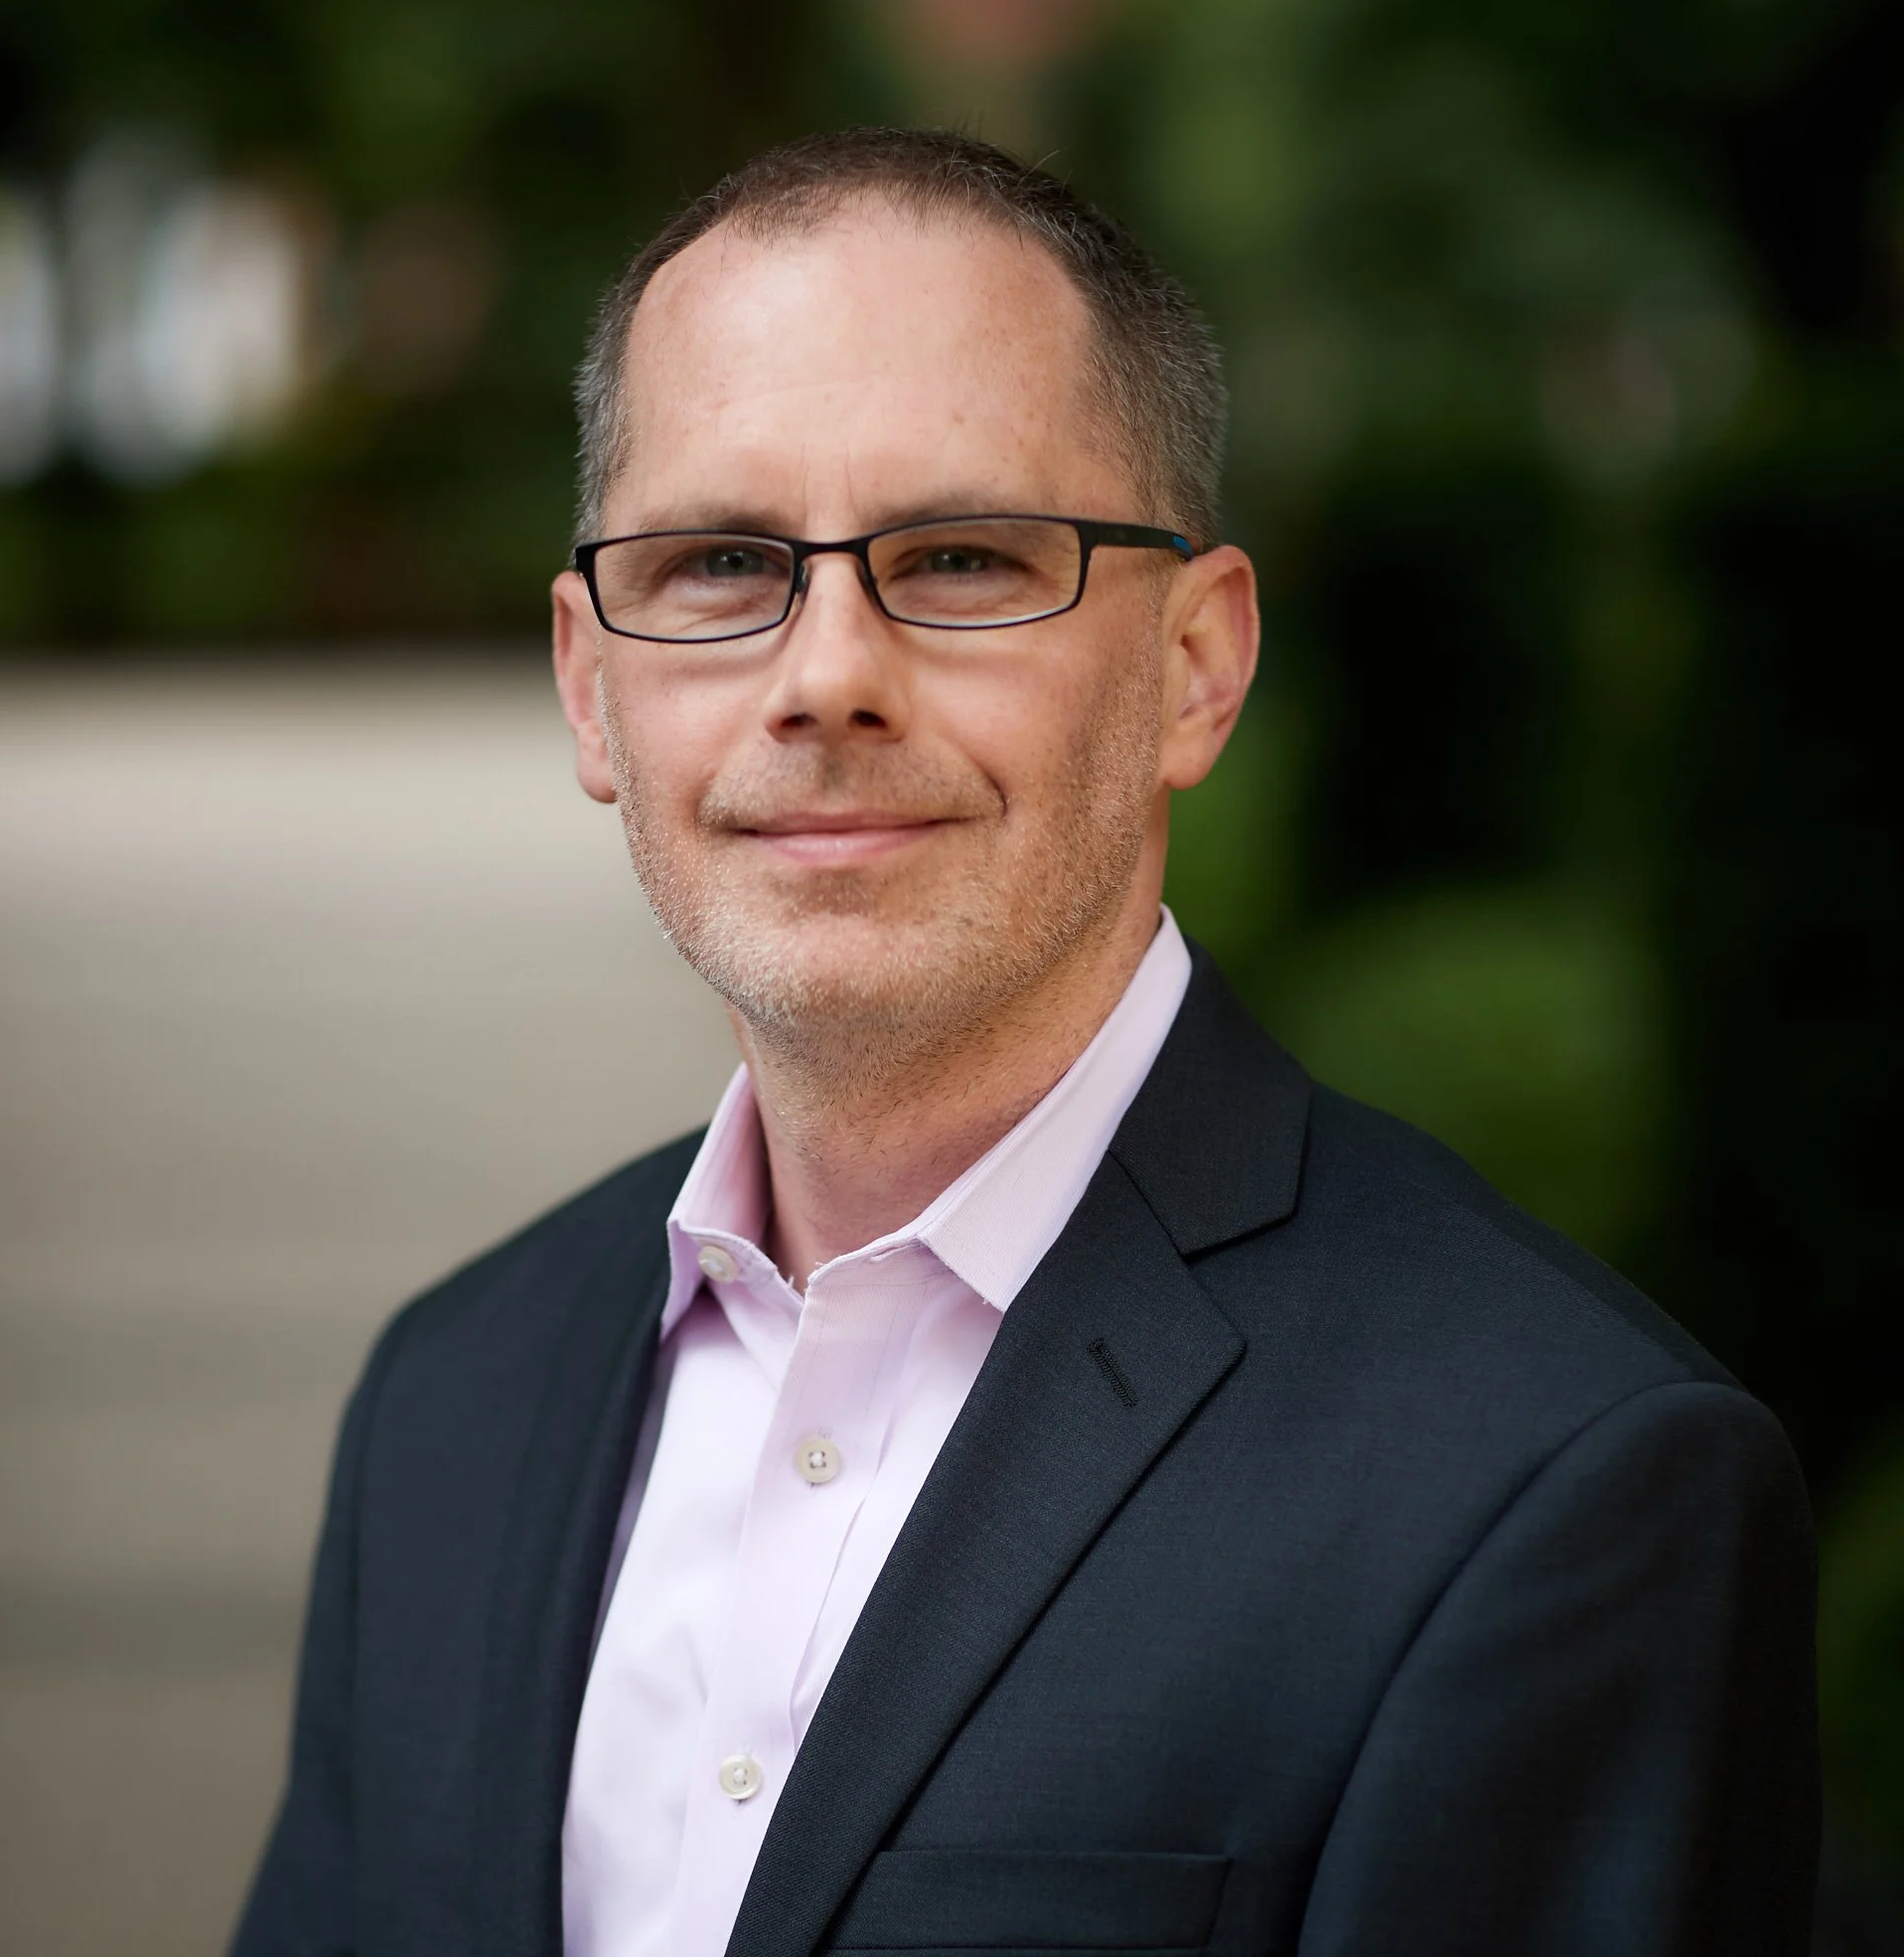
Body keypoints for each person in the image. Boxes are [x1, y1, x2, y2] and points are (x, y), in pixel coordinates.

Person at [232, 128, 1818, 1957]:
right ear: (594, 688)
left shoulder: (1552, 1481)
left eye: (967, 558)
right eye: (724, 562)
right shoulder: (452, 1398)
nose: (827, 676)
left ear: (1197, 667)